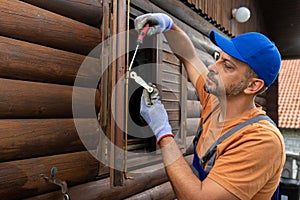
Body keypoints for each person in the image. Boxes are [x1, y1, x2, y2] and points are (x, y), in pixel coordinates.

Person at [135, 13, 286, 200]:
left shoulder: (261, 140)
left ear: (253, 86)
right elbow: (189, 57)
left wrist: (162, 131)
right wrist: (169, 25)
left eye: (227, 66)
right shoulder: (216, 102)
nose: (213, 67)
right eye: (218, 58)